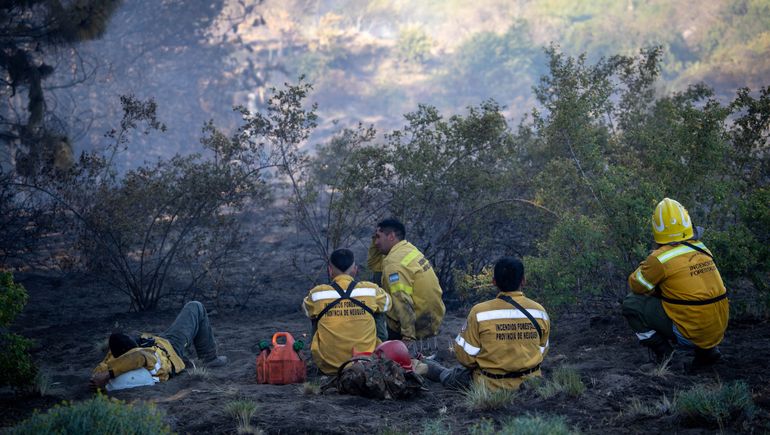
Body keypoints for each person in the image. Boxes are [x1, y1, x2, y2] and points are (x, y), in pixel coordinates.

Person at [622, 198, 728, 369]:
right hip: (718, 330)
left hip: (690, 334)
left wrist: (648, 263)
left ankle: (665, 356)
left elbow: (637, 286)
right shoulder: (701, 248)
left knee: (632, 304)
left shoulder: (660, 258)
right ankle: (708, 352)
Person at [416, 257, 549, 391]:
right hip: (531, 385)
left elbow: (465, 357)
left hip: (489, 385)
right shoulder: (539, 311)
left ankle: (429, 367)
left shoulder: (479, 312)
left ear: (494, 282)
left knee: (453, 375)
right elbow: (542, 350)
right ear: (523, 280)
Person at [90, 301, 227, 390]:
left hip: (155, 342)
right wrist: (110, 373)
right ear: (130, 350)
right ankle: (210, 358)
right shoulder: (144, 357)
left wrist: (102, 376)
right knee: (195, 307)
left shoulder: (112, 362)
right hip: (171, 347)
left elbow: (97, 375)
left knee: (119, 338)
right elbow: (139, 356)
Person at [303, 248, 391, 375]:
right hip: (365, 363)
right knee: (378, 310)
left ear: (330, 270)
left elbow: (306, 309)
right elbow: (388, 304)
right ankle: (377, 351)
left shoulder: (318, 293)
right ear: (355, 270)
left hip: (329, 366)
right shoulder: (370, 290)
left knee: (315, 314)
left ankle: (323, 356)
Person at [369, 218, 445, 343]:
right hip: (432, 320)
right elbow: (374, 264)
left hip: (415, 327)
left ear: (392, 236)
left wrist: (408, 336)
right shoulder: (408, 249)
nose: (376, 242)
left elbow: (402, 300)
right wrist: (376, 240)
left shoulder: (393, 263)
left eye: (378, 237)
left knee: (370, 316)